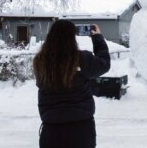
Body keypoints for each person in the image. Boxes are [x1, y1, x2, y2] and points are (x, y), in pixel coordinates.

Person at [33, 20, 110, 148]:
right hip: (81, 129)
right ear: (72, 37)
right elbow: (104, 63)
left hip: (51, 130)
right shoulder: (81, 59)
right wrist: (97, 38)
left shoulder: (40, 61)